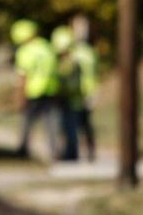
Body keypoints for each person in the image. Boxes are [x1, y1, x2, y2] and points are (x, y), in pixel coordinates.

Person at [11, 19, 62, 159]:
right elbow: (55, 70)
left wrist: (20, 96)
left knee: (26, 122)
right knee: (51, 124)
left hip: (32, 91)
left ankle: (23, 149)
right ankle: (54, 151)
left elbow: (23, 76)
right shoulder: (47, 47)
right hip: (50, 90)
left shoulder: (25, 51)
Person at [68, 20, 99, 161]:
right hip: (79, 92)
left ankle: (87, 151)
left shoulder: (85, 52)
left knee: (83, 124)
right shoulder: (80, 51)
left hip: (85, 92)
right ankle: (80, 151)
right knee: (80, 124)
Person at [50, 26, 81, 161]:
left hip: (66, 99)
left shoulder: (69, 62)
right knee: (66, 127)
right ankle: (67, 152)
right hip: (68, 98)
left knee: (66, 127)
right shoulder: (72, 61)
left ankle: (68, 153)